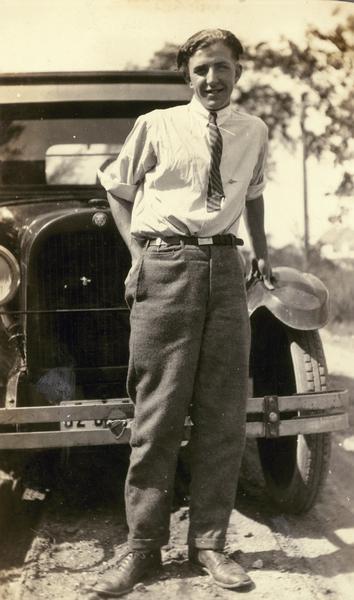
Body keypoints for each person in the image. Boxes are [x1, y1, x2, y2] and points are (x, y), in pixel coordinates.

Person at [91, 28, 273, 597]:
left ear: (239, 70)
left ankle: (211, 546)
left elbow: (255, 192)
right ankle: (143, 547)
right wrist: (139, 255)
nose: (211, 79)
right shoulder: (157, 125)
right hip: (166, 265)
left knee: (223, 413)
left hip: (226, 269)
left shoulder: (255, 130)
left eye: (221, 67)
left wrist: (261, 250)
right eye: (200, 70)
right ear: (186, 76)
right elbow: (117, 190)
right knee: (158, 413)